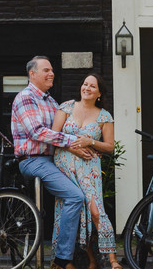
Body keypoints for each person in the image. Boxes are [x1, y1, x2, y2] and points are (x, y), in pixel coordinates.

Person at [11, 55, 95, 269]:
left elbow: (63, 130)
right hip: (33, 160)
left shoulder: (50, 101)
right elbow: (37, 132)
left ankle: (93, 255)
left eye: (52, 70)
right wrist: (75, 142)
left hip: (54, 159)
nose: (51, 74)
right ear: (33, 74)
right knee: (75, 196)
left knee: (88, 190)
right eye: (46, 70)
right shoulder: (25, 97)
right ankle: (62, 260)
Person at [52, 73, 120, 269]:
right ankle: (68, 262)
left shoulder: (104, 116)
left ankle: (112, 260)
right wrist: (72, 147)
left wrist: (90, 141)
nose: (87, 88)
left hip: (90, 169)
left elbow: (109, 146)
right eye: (85, 84)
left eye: (92, 86)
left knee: (95, 211)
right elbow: (54, 136)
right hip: (65, 165)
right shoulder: (66, 107)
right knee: (71, 211)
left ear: (99, 93)